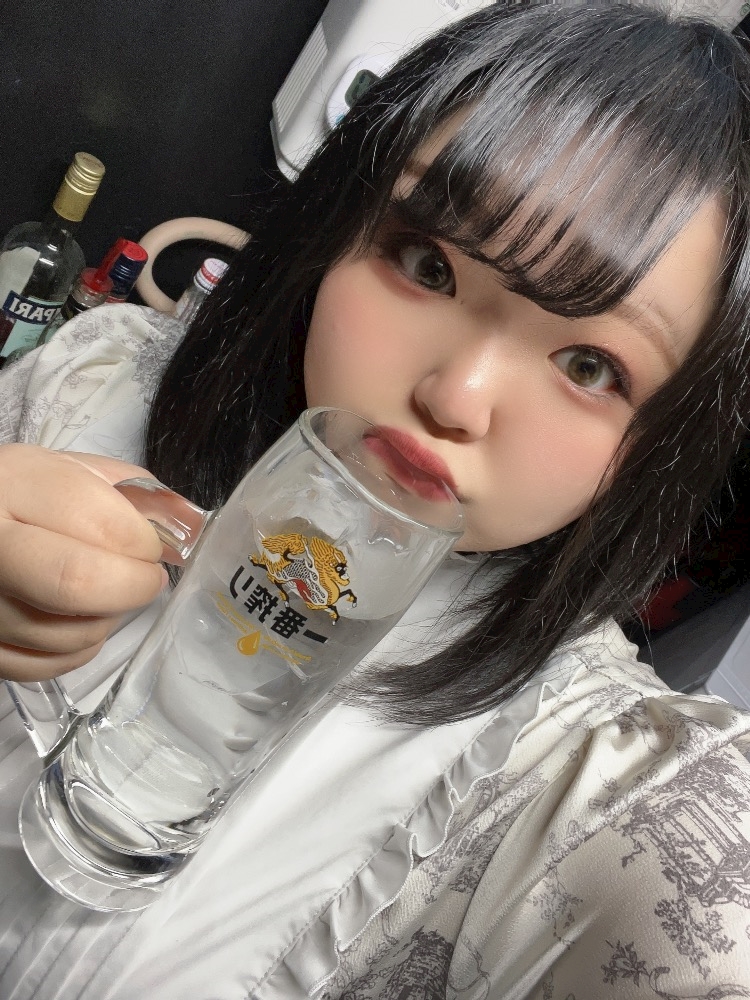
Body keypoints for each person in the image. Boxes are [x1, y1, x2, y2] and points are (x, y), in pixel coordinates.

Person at [0, 3, 749, 997]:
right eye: (428, 264)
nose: (456, 398)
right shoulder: (89, 384)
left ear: (663, 442)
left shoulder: (582, 778)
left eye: (589, 366)